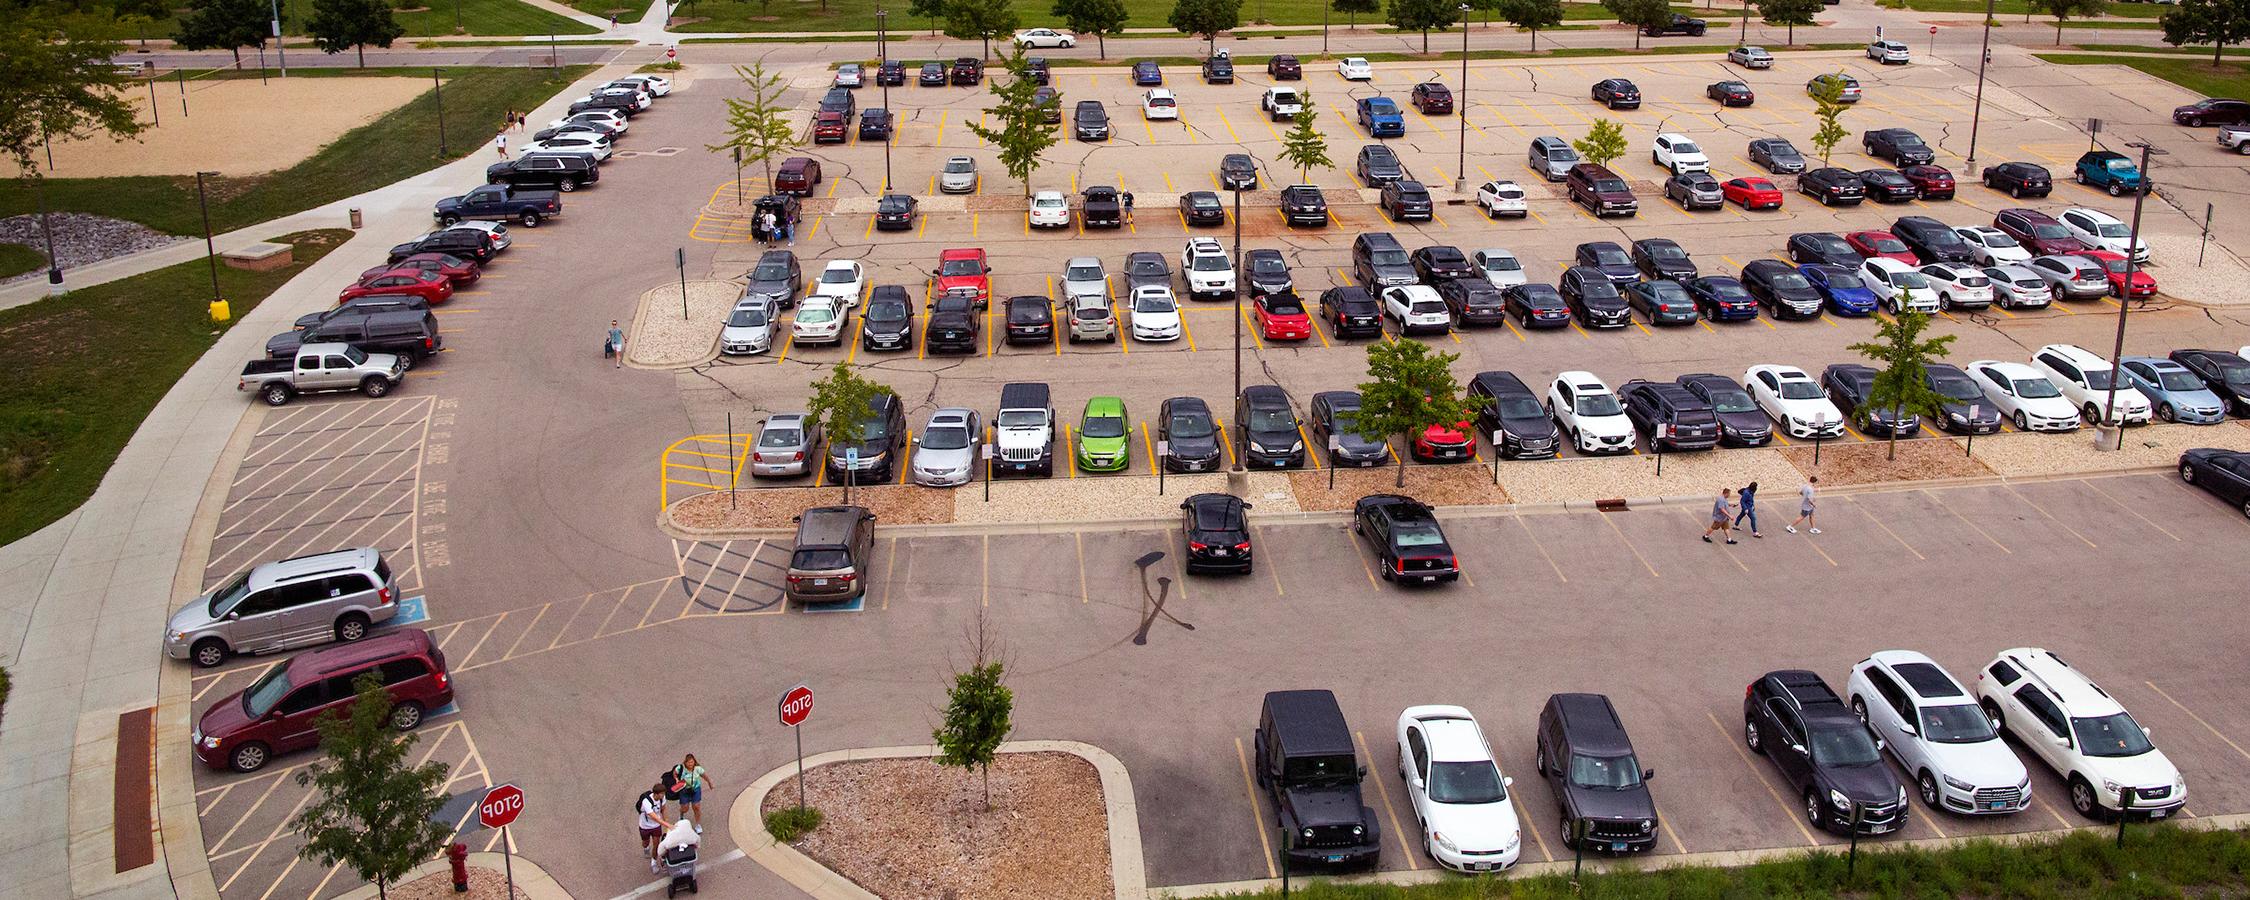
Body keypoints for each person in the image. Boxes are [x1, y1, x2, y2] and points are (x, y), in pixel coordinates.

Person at [674, 754, 714, 834]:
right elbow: (674, 773)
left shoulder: (698, 769)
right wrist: (676, 779)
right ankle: (681, 814)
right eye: (688, 762)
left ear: (694, 762)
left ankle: (698, 825)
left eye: (692, 762)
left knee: (696, 807)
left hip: (695, 789)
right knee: (685, 808)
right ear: (685, 762)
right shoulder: (680, 768)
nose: (690, 764)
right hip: (684, 790)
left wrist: (709, 782)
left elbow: (704, 776)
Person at [636, 782, 670, 872]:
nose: (663, 795)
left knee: (656, 844)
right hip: (645, 826)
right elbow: (654, 817)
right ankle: (646, 848)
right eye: (661, 794)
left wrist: (666, 820)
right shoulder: (646, 802)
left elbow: (663, 809)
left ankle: (654, 862)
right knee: (645, 842)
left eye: (664, 793)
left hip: (656, 827)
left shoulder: (662, 799)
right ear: (655, 794)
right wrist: (667, 825)